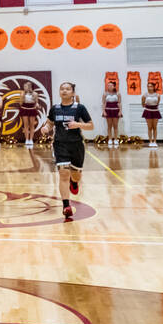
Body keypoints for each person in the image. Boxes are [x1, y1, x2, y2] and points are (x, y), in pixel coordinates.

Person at [40, 82, 94, 220]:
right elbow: (50, 123)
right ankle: (66, 206)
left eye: (67, 89)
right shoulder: (55, 109)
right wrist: (46, 128)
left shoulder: (79, 108)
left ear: (73, 93)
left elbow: (91, 125)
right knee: (63, 173)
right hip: (60, 144)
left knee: (75, 175)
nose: (64, 91)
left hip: (76, 145)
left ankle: (74, 182)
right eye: (62, 89)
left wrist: (78, 124)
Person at [141, 82, 162, 148]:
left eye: (150, 86)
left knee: (154, 127)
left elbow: (157, 103)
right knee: (149, 127)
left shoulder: (157, 95)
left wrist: (154, 106)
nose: (149, 87)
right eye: (148, 86)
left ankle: (155, 141)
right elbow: (143, 103)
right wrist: (147, 106)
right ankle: (150, 141)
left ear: (153, 87)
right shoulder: (145, 95)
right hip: (148, 111)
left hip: (155, 111)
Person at [20, 81, 40, 147]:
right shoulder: (22, 93)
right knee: (26, 124)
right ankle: (27, 139)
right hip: (24, 108)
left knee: (32, 124)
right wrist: (22, 97)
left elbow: (37, 102)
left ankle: (31, 139)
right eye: (24, 86)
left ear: (29, 87)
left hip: (32, 108)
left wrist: (37, 105)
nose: (24, 87)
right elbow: (20, 103)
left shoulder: (35, 94)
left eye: (25, 86)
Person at [101, 81, 121, 147]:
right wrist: (104, 111)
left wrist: (120, 111)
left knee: (115, 125)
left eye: (111, 85)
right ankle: (110, 139)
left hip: (116, 110)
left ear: (114, 86)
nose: (109, 86)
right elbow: (104, 103)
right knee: (109, 125)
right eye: (108, 85)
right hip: (108, 110)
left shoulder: (118, 93)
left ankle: (115, 139)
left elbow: (119, 103)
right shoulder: (105, 94)